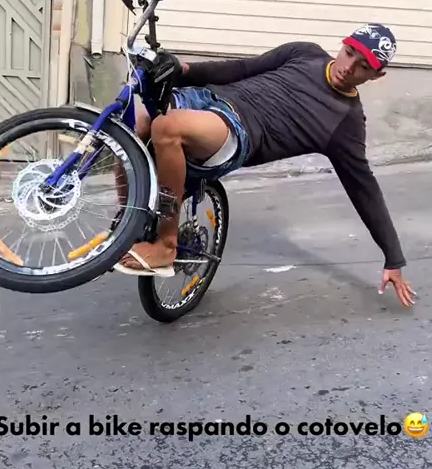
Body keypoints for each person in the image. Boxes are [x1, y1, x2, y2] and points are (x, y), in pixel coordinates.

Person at [115, 23, 416, 308]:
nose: (348, 67)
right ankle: (129, 220)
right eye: (349, 53)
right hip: (208, 98)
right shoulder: (305, 53)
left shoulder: (345, 124)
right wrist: (182, 70)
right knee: (131, 125)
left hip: (237, 131)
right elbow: (242, 69)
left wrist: (393, 258)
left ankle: (166, 246)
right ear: (343, 45)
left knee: (167, 128)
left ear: (376, 75)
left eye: (362, 66)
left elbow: (364, 190)